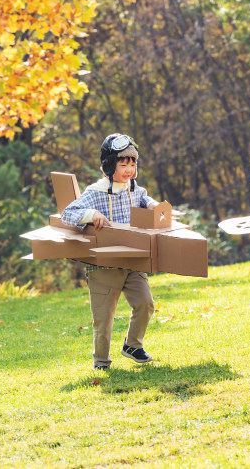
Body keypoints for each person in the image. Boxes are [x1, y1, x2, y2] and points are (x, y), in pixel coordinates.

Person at [60, 133, 159, 370]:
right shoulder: (95, 192)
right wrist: (91, 215)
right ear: (109, 165)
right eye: (123, 164)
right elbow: (67, 213)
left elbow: (146, 200)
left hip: (132, 261)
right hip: (103, 266)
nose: (129, 169)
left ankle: (132, 345)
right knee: (104, 318)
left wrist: (155, 206)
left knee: (145, 303)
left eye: (133, 164)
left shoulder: (135, 190)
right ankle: (101, 362)